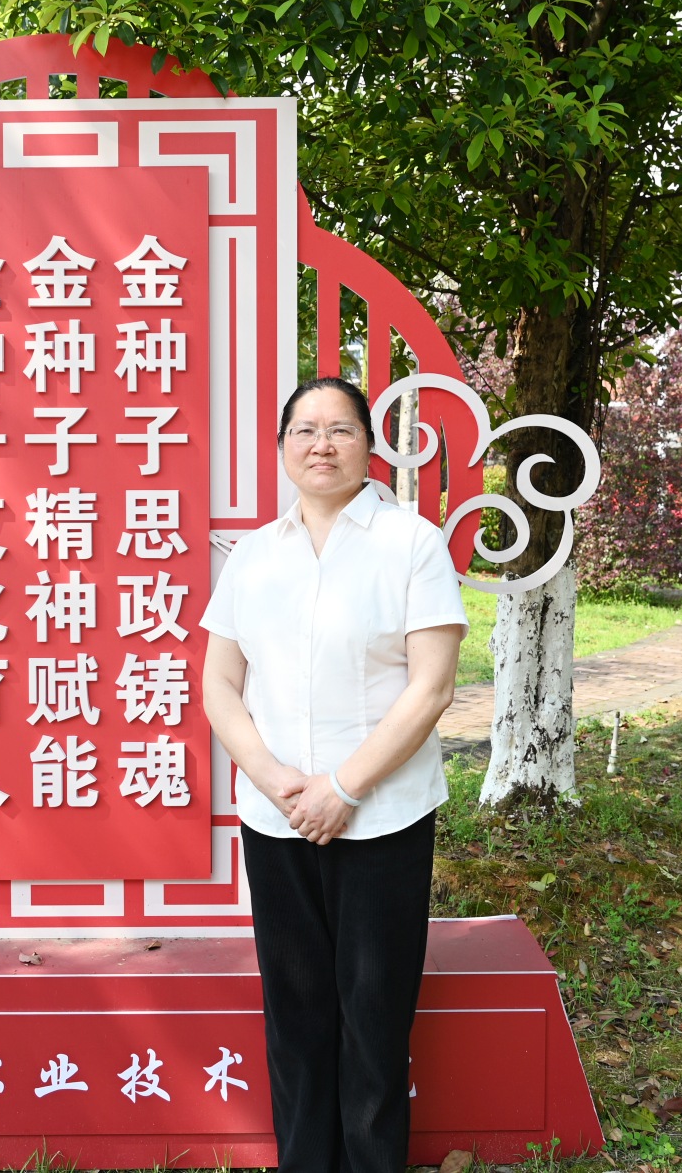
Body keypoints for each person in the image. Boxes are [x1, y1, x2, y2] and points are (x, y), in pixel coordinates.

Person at [200, 375, 468, 1173]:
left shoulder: (410, 543)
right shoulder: (253, 555)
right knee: (295, 1015)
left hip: (383, 816)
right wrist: (273, 777)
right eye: (305, 430)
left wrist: (343, 786)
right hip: (276, 816)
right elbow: (219, 683)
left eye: (341, 429)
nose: (322, 444)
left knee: (374, 1015)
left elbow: (432, 686)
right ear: (283, 448)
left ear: (369, 446)